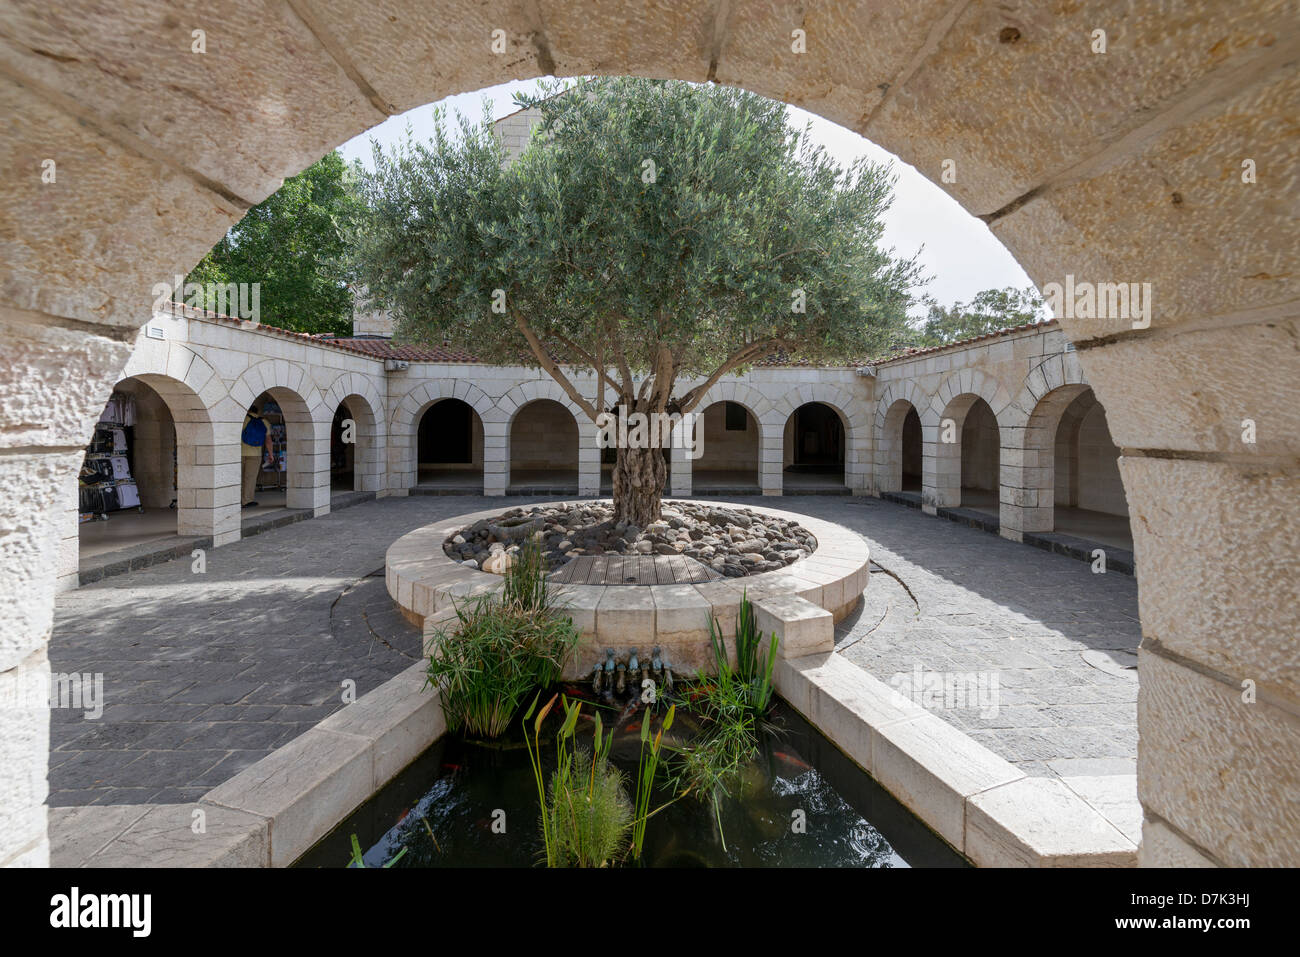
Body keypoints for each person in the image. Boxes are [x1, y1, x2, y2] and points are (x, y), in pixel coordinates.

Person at [240, 404, 273, 508]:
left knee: (239, 478)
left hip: (239, 453)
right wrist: (271, 454)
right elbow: (268, 440)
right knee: (250, 478)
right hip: (255, 454)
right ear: (257, 411)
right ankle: (246, 501)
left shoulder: (242, 419)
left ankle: (235, 500)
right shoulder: (264, 421)